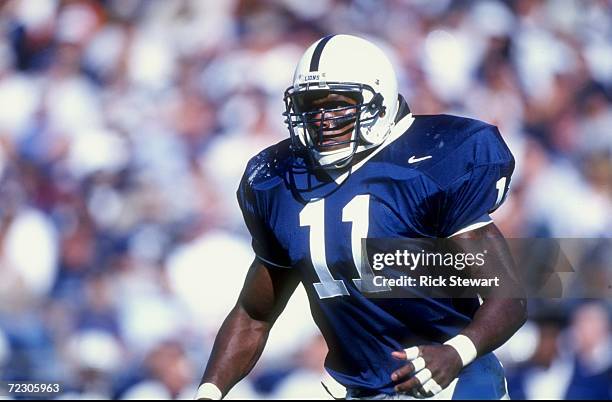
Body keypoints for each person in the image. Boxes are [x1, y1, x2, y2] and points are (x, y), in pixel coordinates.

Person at [196, 34, 526, 400]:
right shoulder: (280, 183)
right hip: (362, 389)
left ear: (378, 100)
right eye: (310, 107)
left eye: (337, 105)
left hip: (453, 380)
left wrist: (456, 350)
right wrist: (209, 393)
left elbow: (508, 297)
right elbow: (254, 314)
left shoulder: (433, 163)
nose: (322, 119)